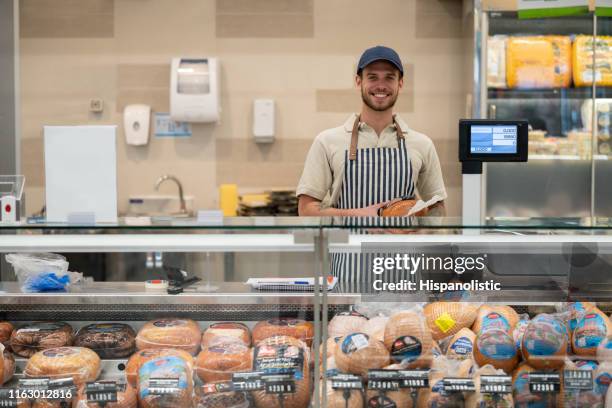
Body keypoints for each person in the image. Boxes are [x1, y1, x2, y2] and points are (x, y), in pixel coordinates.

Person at [296, 45, 448, 287]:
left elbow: (438, 208)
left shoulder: (421, 143)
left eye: (389, 77)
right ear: (358, 81)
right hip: (348, 275)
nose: (381, 85)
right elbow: (306, 210)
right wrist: (359, 215)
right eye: (372, 77)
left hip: (404, 278)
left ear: (401, 83)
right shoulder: (328, 141)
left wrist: (418, 233)